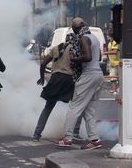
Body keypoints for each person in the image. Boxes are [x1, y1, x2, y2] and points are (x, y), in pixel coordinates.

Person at [57, 17, 104, 150]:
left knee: (74, 107)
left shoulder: (83, 38)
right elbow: (98, 57)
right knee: (89, 111)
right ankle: (94, 139)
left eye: (73, 29)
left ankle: (67, 138)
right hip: (98, 74)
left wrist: (74, 59)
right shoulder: (94, 37)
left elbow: (88, 57)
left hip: (88, 75)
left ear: (76, 28)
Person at [33, 33, 83, 142]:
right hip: (69, 79)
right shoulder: (75, 49)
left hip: (55, 79)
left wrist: (42, 78)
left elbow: (43, 64)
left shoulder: (56, 48)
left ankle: (37, 134)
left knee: (48, 108)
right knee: (77, 106)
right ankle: (74, 132)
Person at [105, 29, 120, 94]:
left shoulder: (115, 42)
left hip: (117, 63)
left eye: (107, 35)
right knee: (112, 77)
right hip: (112, 63)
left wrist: (105, 53)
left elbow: (114, 52)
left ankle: (115, 90)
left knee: (114, 77)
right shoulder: (109, 43)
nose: (107, 36)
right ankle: (113, 89)